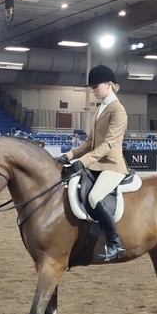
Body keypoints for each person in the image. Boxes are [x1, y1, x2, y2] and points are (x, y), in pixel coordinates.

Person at [58, 65, 128, 262]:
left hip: (112, 165)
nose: (93, 90)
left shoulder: (118, 111)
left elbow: (108, 144)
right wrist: (69, 155)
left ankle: (115, 243)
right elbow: (90, 142)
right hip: (96, 164)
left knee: (94, 197)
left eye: (95, 86)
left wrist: (83, 161)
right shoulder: (99, 109)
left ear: (108, 85)